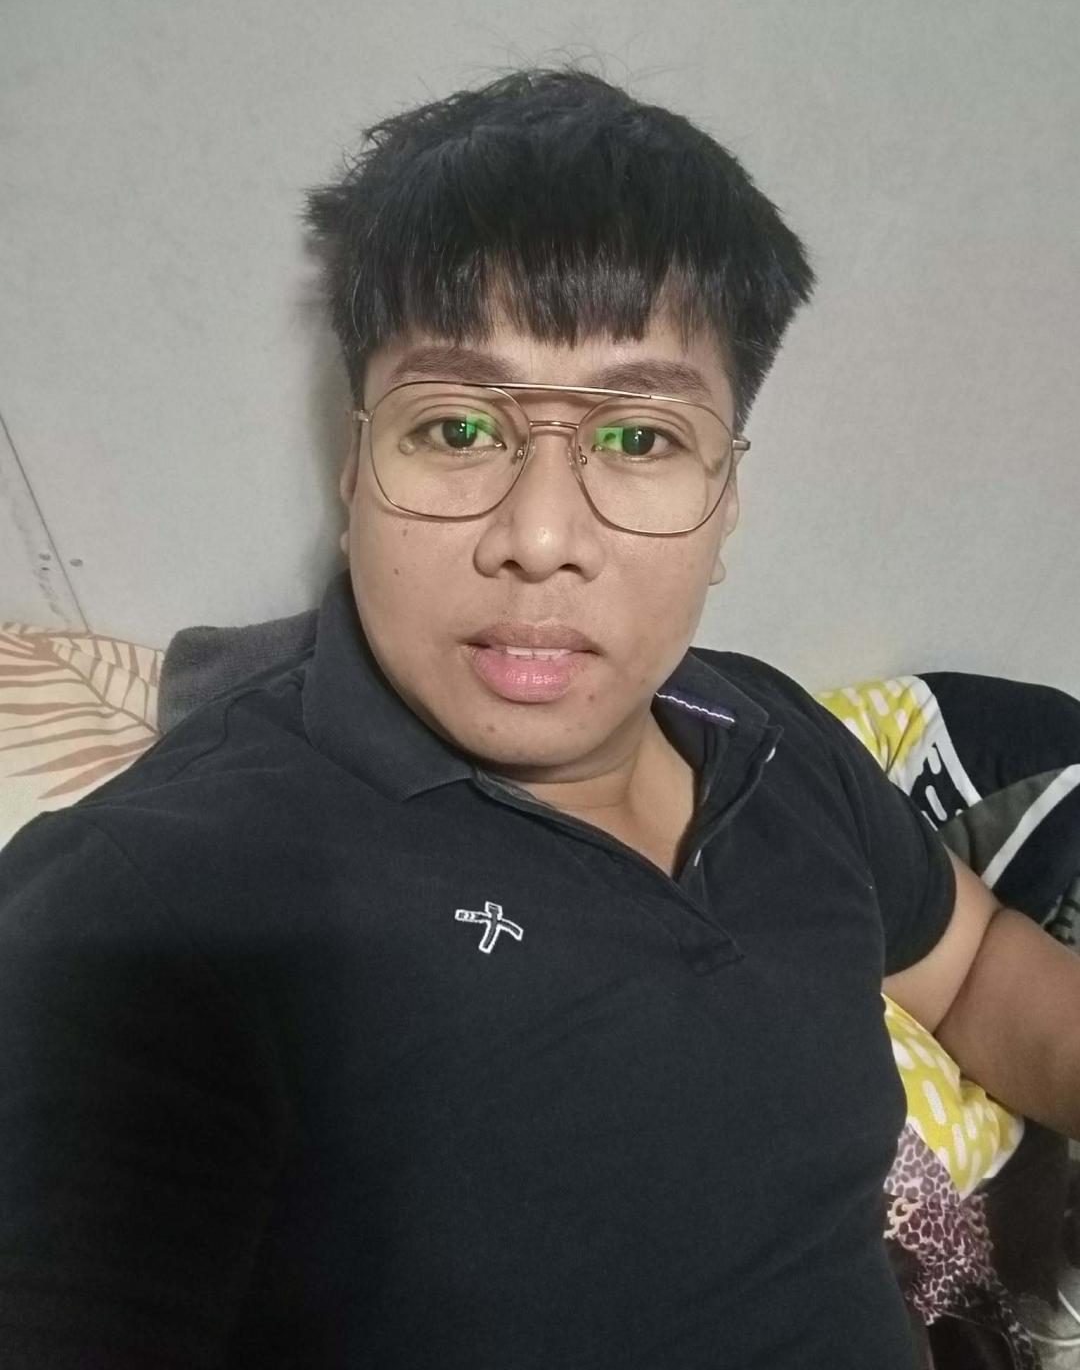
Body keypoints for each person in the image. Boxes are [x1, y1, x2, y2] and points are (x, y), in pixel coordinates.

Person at [1, 66, 1078, 1370]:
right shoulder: (152, 906)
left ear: (726, 500)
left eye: (639, 438)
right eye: (458, 425)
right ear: (354, 474)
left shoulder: (768, 730)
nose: (542, 535)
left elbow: (974, 965)